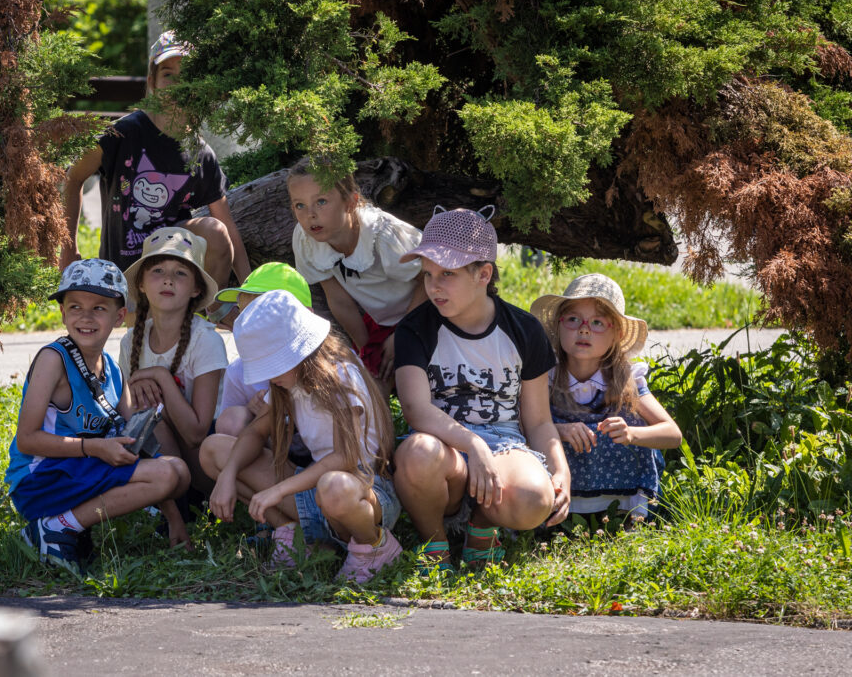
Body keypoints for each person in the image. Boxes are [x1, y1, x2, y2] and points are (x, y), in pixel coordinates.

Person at [392, 207, 570, 572]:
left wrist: (560, 469)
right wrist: (472, 445)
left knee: (535, 498)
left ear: (483, 274)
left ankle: (482, 529)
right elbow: (415, 410)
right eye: (427, 275)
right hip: (445, 447)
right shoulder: (415, 328)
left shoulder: (524, 330)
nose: (434, 286)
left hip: (504, 442)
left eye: (447, 274)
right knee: (417, 453)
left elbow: (537, 420)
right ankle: (434, 543)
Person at [199, 291, 403, 583]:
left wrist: (279, 491)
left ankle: (372, 545)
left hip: (364, 490)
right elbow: (255, 431)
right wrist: (227, 475)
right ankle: (299, 538)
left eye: (272, 366)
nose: (269, 377)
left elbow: (346, 458)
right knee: (214, 450)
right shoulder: (287, 384)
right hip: (317, 490)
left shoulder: (342, 375)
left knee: (334, 487)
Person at [6, 259, 191, 575]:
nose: (86, 317)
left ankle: (67, 525)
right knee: (164, 475)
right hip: (38, 480)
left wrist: (174, 518)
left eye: (99, 308)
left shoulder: (115, 372)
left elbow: (139, 444)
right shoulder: (54, 359)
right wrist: (94, 448)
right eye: (75, 307)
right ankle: (56, 527)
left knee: (178, 471)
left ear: (120, 316)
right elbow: (27, 439)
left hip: (78, 471)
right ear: (63, 313)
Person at [61, 30, 251, 322]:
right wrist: (68, 248)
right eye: (168, 75)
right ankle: (157, 320)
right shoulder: (124, 133)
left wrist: (248, 287)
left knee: (214, 229)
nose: (178, 86)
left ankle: (204, 313)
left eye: (188, 77)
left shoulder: (202, 155)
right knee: (142, 352)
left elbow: (227, 229)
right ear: (152, 82)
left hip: (174, 272)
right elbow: (74, 178)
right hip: (127, 280)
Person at [530, 274, 682, 520]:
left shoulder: (625, 377)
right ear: (558, 326)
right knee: (540, 439)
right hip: (561, 482)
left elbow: (673, 435)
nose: (584, 329)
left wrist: (631, 434)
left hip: (620, 489)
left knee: (634, 420)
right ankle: (552, 508)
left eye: (598, 322)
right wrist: (560, 430)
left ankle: (629, 511)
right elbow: (521, 427)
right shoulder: (546, 374)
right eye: (572, 319)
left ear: (617, 334)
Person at [287, 157, 426, 389]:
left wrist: (404, 334)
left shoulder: (384, 236)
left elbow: (431, 280)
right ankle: (380, 423)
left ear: (351, 203)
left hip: (426, 312)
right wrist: (369, 354)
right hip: (381, 322)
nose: (310, 214)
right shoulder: (305, 241)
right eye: (299, 205)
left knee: (412, 378)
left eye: (321, 201)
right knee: (372, 382)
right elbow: (339, 300)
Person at [119, 227, 228, 497]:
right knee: (146, 410)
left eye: (180, 273)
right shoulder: (131, 340)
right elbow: (124, 413)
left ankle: (181, 503)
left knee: (155, 408)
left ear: (195, 289)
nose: (168, 280)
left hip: (204, 467)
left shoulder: (206, 341)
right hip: (156, 456)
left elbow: (196, 435)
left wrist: (160, 377)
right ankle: (164, 503)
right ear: (141, 285)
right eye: (157, 271)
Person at [211, 262, 313, 438]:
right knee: (229, 423)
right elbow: (229, 426)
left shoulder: (331, 364)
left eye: (263, 316)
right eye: (243, 315)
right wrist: (253, 413)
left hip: (330, 457)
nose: (249, 326)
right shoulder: (238, 371)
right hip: (271, 454)